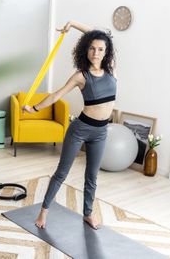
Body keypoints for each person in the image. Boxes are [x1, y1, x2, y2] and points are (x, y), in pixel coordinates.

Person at [22, 20, 117, 230]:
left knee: (92, 176)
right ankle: (44, 212)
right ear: (86, 49)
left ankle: (88, 214)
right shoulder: (80, 76)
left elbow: (100, 35)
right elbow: (56, 95)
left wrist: (73, 23)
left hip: (101, 132)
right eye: (92, 48)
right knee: (62, 173)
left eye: (101, 49)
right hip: (80, 129)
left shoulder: (112, 70)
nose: (96, 52)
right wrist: (35, 108)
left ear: (106, 51)